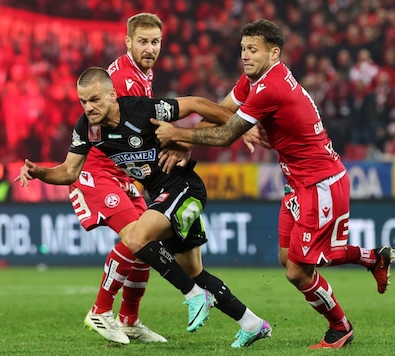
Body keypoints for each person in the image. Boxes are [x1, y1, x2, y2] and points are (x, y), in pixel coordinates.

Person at [151, 19, 394, 350]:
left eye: (253, 50)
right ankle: (373, 258)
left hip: (320, 182)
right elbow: (223, 110)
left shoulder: (272, 87)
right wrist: (189, 143)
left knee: (298, 270)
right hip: (297, 182)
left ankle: (341, 327)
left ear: (274, 53)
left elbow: (227, 134)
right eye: (242, 50)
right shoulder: (255, 79)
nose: (245, 56)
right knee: (288, 258)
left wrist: (177, 134)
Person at [15, 67, 272, 348]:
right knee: (192, 269)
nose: (89, 108)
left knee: (136, 237)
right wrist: (38, 171)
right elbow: (68, 172)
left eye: (95, 100)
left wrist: (239, 126)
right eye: (83, 102)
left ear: (112, 95)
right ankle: (251, 323)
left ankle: (194, 295)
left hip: (184, 188)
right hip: (164, 195)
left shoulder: (142, 109)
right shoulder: (87, 129)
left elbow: (197, 104)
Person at [70, 13, 168, 345]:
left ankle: (129, 321)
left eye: (155, 42)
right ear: (128, 42)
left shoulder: (142, 75)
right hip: (99, 172)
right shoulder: (124, 81)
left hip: (120, 172)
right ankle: (100, 310)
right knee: (137, 238)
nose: (150, 48)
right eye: (142, 41)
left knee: (147, 244)